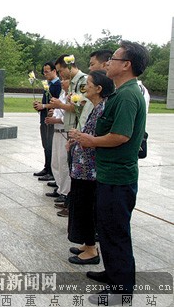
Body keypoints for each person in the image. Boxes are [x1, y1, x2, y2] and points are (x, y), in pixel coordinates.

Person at [77, 41, 148, 306]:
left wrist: (90, 140)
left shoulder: (129, 95)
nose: (109, 63)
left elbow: (121, 135)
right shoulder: (121, 92)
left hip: (119, 178)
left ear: (126, 65)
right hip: (109, 175)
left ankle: (121, 292)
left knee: (116, 233)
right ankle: (113, 274)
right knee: (107, 229)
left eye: (114, 59)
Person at [67, 70, 114, 265]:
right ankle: (87, 244)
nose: (85, 87)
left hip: (89, 171)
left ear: (99, 88)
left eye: (89, 83)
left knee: (87, 208)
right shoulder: (95, 107)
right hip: (82, 168)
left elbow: (96, 139)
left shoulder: (103, 108)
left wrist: (81, 138)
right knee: (81, 206)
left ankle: (92, 250)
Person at [44, 79, 71, 216]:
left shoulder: (71, 96)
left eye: (65, 79)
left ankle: (66, 193)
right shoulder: (61, 94)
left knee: (64, 164)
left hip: (64, 132)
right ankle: (61, 189)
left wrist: (56, 119)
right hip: (57, 132)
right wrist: (52, 115)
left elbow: (70, 116)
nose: (62, 82)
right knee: (56, 163)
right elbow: (59, 113)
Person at [32, 62, 61, 181]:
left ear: (54, 71)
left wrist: (44, 106)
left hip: (52, 119)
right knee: (46, 144)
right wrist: (40, 105)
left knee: (50, 145)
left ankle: (51, 171)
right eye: (44, 72)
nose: (45, 74)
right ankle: (46, 167)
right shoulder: (48, 85)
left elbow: (58, 103)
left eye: (47, 71)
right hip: (44, 118)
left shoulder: (58, 85)